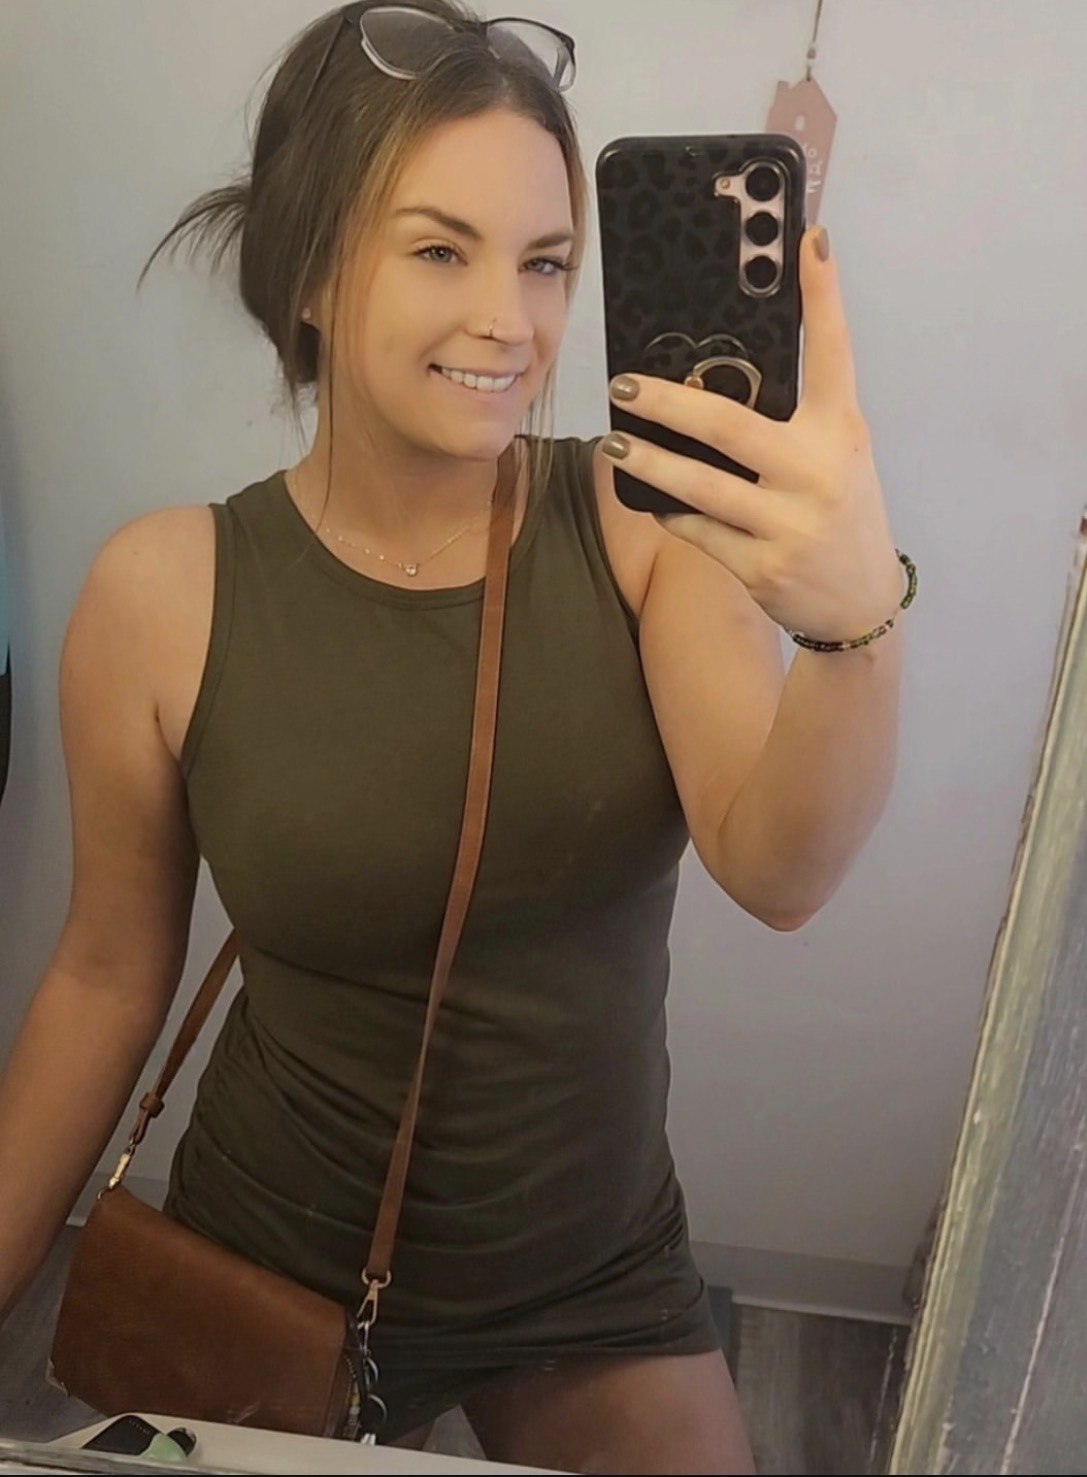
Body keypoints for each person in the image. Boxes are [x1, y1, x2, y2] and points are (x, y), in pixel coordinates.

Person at [0, 3, 910, 1472]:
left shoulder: (634, 523)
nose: (513, 321)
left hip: (592, 1274)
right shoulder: (160, 593)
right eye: (441, 251)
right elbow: (105, 975)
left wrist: (858, 625)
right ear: (307, 269)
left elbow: (780, 866)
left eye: (545, 262)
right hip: (265, 1261)